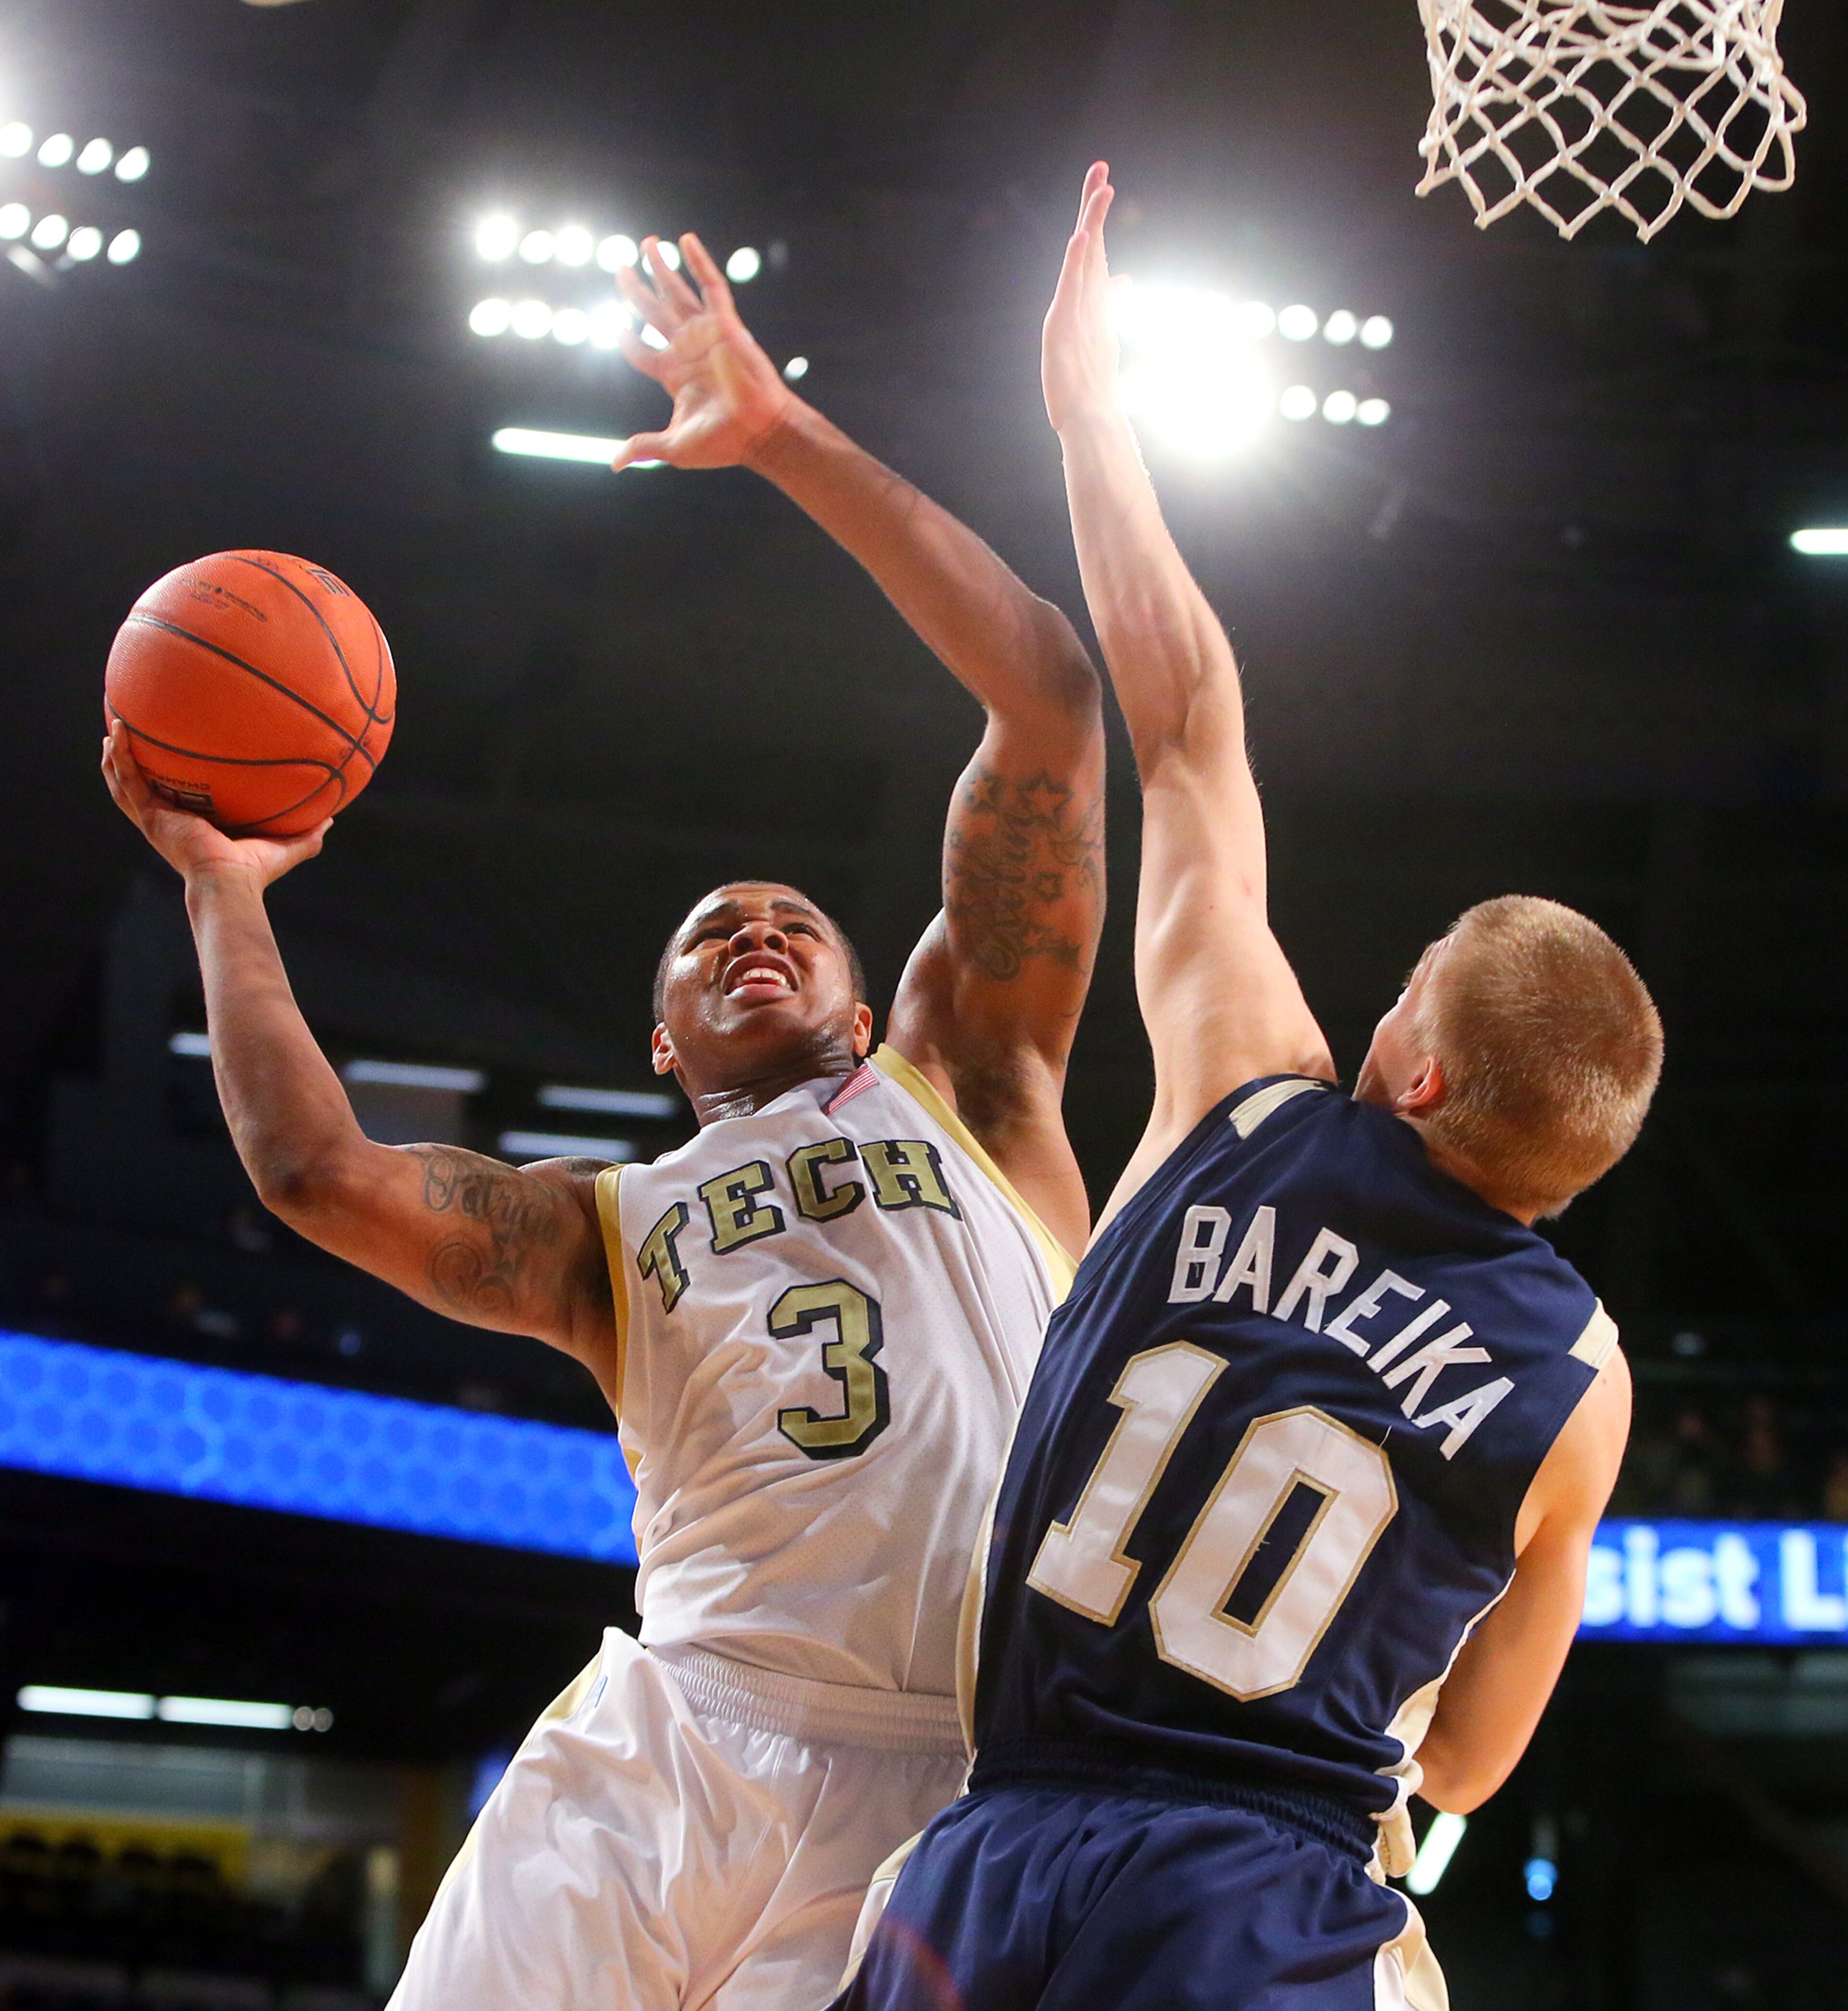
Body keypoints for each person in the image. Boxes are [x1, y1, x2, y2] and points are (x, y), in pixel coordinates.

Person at [102, 226, 1106, 2011]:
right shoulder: (603, 1232)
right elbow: (314, 1167)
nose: (755, 926)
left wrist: (783, 430)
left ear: (872, 1007)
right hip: (681, 1734)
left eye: (794, 916)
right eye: (711, 930)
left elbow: (1048, 695)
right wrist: (220, 890)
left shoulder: (976, 1080)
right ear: (662, 1039)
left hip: (952, 1784)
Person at [837, 164, 1662, 2011]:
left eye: (1407, 989)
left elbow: (1190, 718)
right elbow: (1465, 1762)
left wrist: (1088, 416)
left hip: (988, 1862)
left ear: (1419, 1062)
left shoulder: (1251, 1094)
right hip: (1263, 1911)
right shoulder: (1578, 1379)